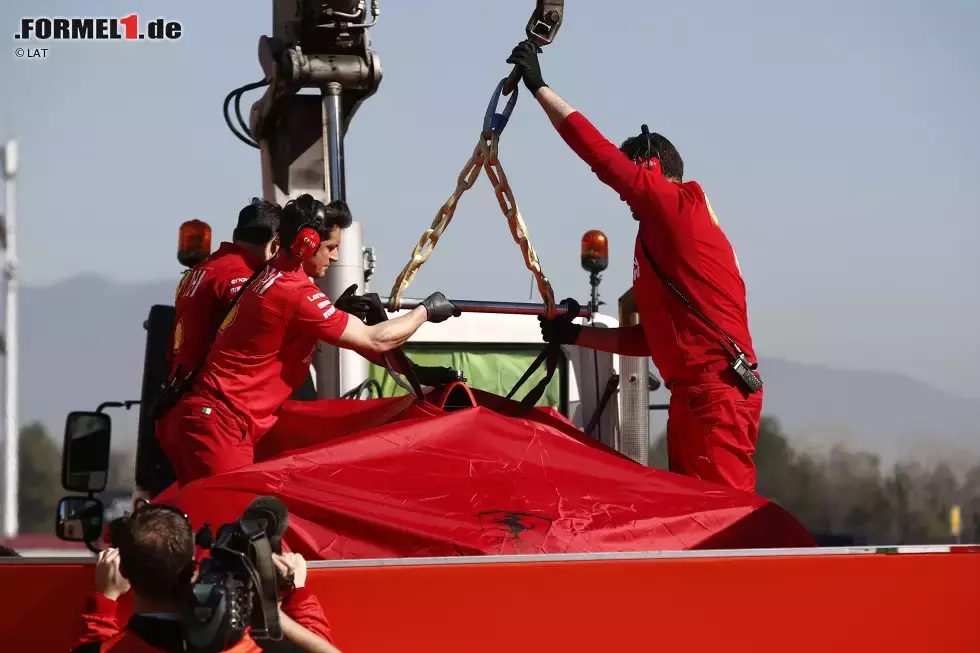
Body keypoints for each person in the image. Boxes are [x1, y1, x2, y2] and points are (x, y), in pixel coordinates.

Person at [507, 41, 764, 493]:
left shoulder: (676, 210)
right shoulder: (657, 238)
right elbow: (654, 340)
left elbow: (600, 158)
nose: (624, 191)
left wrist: (540, 88)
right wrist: (576, 335)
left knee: (727, 533)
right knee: (698, 528)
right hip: (697, 397)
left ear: (648, 169)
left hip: (714, 399)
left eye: (633, 176)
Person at [160, 195, 461, 486]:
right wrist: (425, 311)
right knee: (236, 528)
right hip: (221, 424)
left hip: (196, 416)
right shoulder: (290, 291)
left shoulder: (263, 278)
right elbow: (373, 340)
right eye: (331, 246)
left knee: (209, 528)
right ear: (307, 244)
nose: (336, 256)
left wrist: (415, 371)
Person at [70, 504, 338, 652]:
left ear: (124, 572)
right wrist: (288, 599)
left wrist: (103, 604)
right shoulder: (243, 646)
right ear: (193, 567)